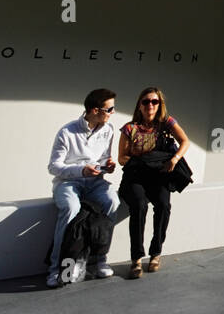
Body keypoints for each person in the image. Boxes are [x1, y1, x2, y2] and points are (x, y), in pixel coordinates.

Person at [46, 88, 121, 288]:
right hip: (68, 182)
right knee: (71, 209)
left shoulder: (108, 129)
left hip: (95, 182)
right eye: (110, 109)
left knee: (112, 202)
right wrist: (81, 171)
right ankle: (56, 269)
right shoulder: (67, 132)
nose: (113, 113)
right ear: (95, 110)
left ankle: (99, 260)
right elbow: (54, 167)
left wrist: (109, 164)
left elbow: (104, 157)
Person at [118, 87, 190, 279]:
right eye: (146, 102)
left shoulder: (166, 124)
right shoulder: (129, 128)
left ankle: (156, 253)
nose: (150, 105)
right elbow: (121, 158)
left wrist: (174, 159)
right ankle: (136, 259)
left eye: (154, 102)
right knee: (139, 206)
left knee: (164, 205)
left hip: (159, 175)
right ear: (139, 105)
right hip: (136, 176)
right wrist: (141, 159)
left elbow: (185, 141)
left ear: (160, 105)